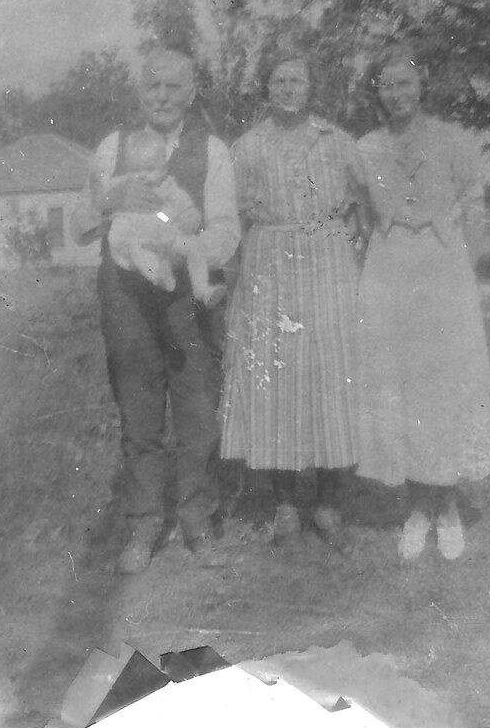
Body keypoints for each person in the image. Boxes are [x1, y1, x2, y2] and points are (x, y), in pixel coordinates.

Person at [71, 49, 240, 573]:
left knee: (195, 411)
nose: (162, 97)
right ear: (139, 94)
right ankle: (143, 525)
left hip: (187, 297)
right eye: (153, 88)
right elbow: (77, 227)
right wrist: (109, 197)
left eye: (173, 87)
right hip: (125, 296)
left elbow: (227, 230)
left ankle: (196, 520)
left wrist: (182, 246)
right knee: (139, 414)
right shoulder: (111, 149)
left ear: (191, 93)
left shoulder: (211, 150)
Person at [355, 41, 490, 561]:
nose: (397, 94)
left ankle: (448, 507)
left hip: (443, 275)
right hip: (390, 275)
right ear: (377, 91)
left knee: (443, 389)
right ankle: (418, 507)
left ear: (422, 87)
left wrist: (464, 261)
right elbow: (359, 216)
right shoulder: (366, 148)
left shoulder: (453, 141)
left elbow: (476, 203)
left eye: (406, 83)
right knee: (402, 389)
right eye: (387, 85)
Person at [220, 57, 364, 545]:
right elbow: (230, 220)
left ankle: (325, 503)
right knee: (275, 377)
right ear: (266, 88)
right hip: (269, 262)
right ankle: (283, 503)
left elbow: (365, 204)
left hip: (327, 261)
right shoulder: (246, 147)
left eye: (296, 80)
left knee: (328, 373)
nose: (287, 88)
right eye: (278, 80)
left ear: (310, 87)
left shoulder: (337, 142)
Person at [107, 128, 227, 308]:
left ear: (163, 169)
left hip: (168, 237)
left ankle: (203, 289)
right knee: (138, 250)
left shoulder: (169, 188)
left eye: (149, 169)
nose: (141, 175)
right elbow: (111, 205)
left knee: (194, 246)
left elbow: (186, 209)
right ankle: (158, 275)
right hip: (139, 238)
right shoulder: (126, 190)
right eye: (135, 170)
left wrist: (190, 217)